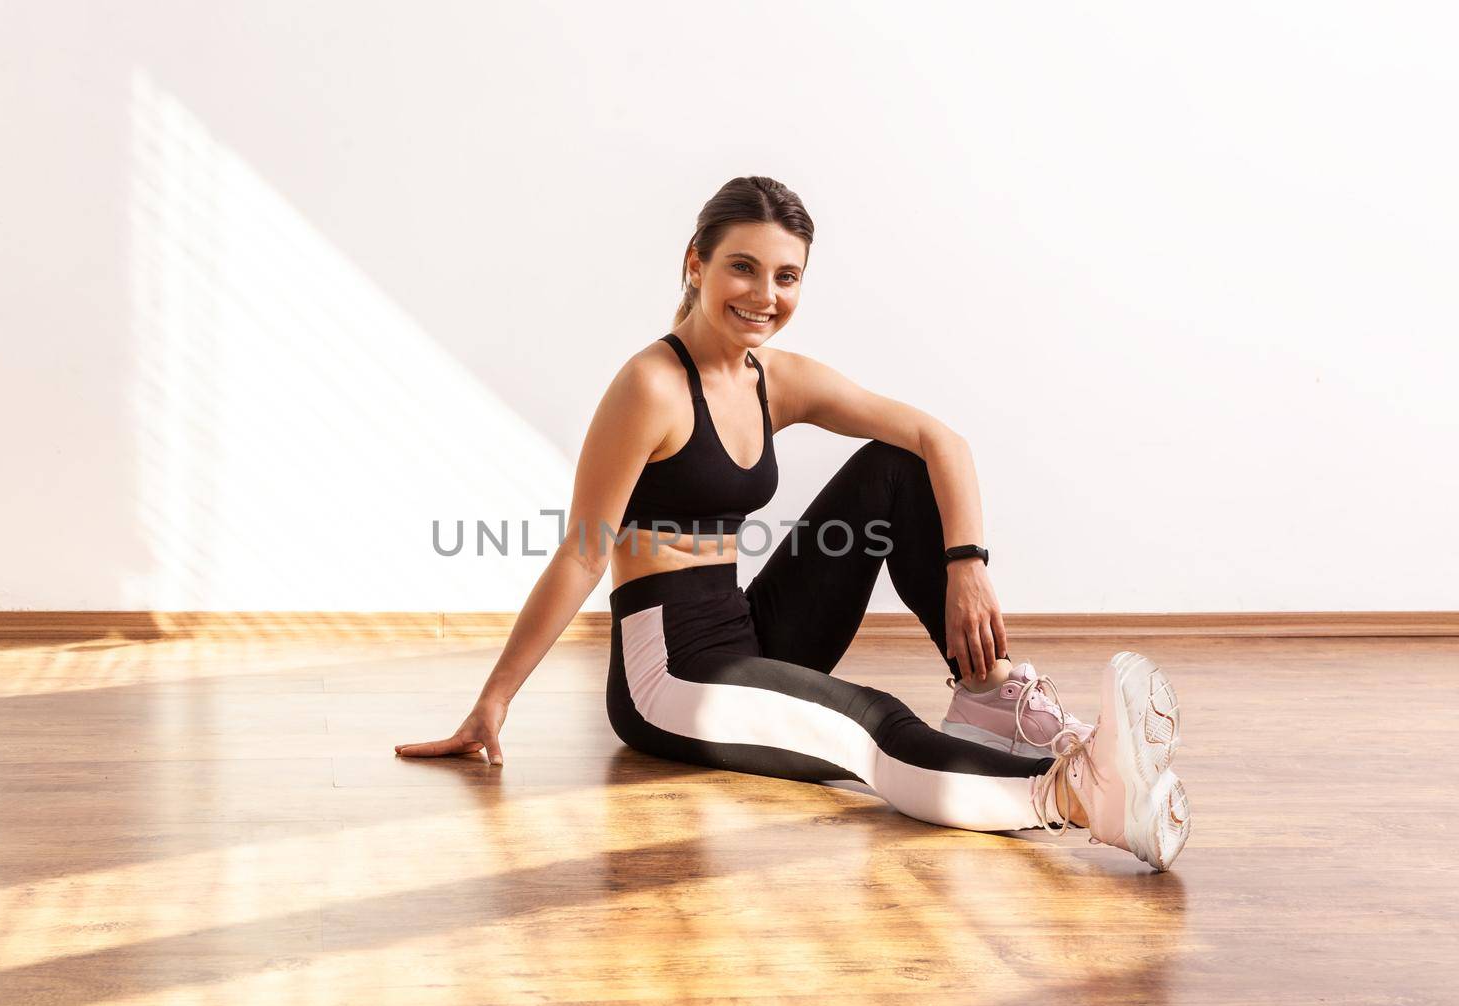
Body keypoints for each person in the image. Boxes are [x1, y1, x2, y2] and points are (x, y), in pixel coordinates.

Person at [397, 176, 1190, 871]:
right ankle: (1079, 796)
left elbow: (939, 439)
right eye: (743, 266)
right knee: (868, 720)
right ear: (695, 263)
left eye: (786, 276)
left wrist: (967, 561)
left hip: (745, 629)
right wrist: (494, 700)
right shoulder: (650, 386)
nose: (764, 294)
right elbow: (580, 555)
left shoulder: (775, 377)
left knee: (896, 465)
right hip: (667, 673)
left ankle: (987, 691)